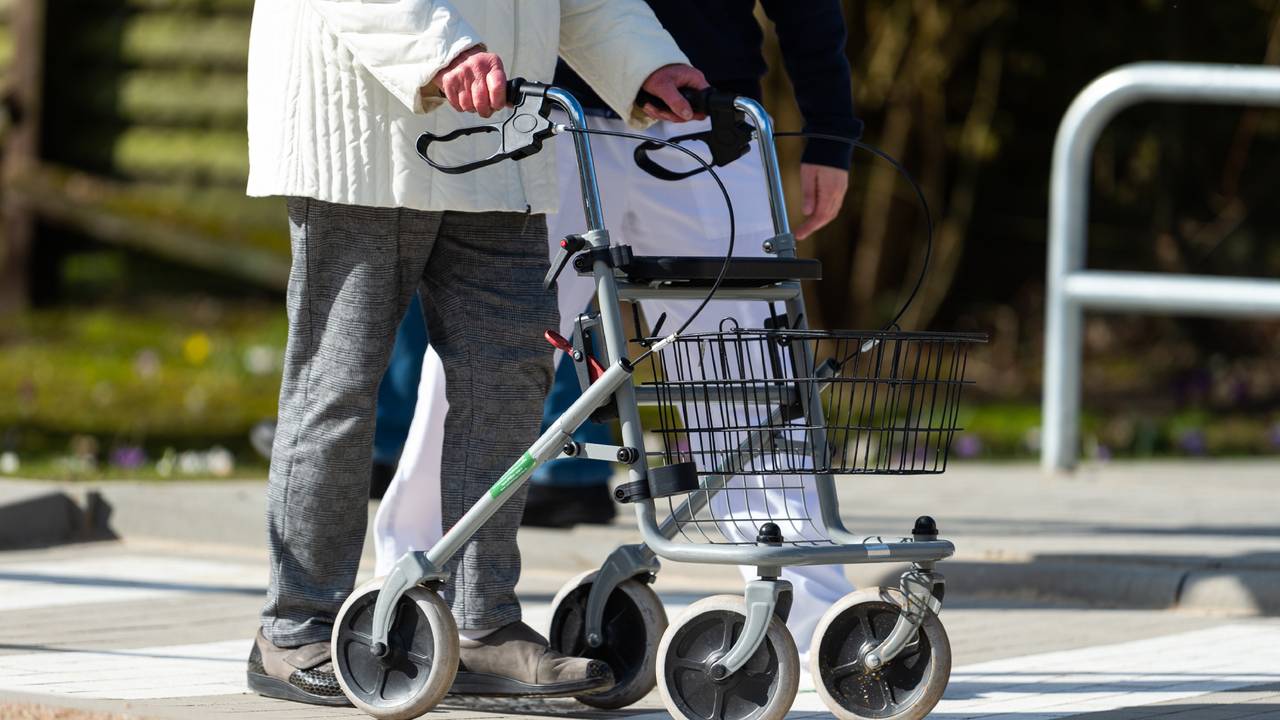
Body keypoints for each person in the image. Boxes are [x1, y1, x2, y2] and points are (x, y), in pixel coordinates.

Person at [376, 0, 863, 674]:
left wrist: (832, 131)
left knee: (746, 367)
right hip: (546, 114)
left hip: (705, 114)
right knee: (490, 358)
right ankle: (415, 572)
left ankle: (810, 604)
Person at [243, 0, 706, 707]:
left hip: (498, 135)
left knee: (512, 368)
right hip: (366, 133)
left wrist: (643, 61)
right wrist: (443, 50)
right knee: (339, 381)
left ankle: (480, 621)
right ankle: (294, 626)